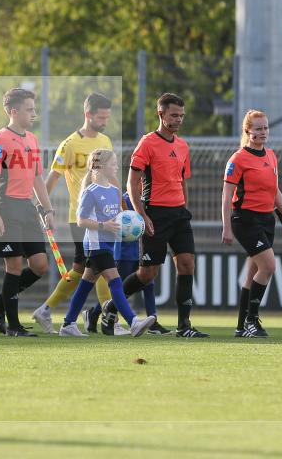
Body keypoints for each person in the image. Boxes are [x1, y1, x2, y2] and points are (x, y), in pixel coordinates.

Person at [103, 93, 208, 337]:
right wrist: (141, 215)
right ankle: (109, 307)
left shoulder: (183, 146)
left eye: (181, 116)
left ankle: (184, 326)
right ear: (161, 114)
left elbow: (182, 180)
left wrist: (184, 207)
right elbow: (132, 182)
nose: (178, 120)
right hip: (155, 214)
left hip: (179, 215)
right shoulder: (147, 143)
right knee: (147, 273)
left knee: (186, 264)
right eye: (174, 115)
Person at [31, 93, 116, 334]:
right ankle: (111, 320)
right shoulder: (70, 144)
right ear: (88, 115)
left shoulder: (106, 141)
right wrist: (41, 208)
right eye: (101, 117)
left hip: (103, 217)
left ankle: (47, 310)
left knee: (83, 269)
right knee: (99, 265)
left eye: (107, 117)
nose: (105, 121)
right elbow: (52, 177)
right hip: (81, 217)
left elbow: (110, 177)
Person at [58, 149, 155, 337]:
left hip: (108, 244)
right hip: (96, 244)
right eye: (113, 164)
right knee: (116, 281)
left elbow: (118, 216)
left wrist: (129, 226)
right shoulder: (90, 192)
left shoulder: (114, 190)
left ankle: (68, 324)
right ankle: (133, 321)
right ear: (100, 167)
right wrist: (103, 225)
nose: (116, 166)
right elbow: (81, 221)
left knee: (86, 284)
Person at [0, 88, 56, 337]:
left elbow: (38, 179)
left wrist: (47, 210)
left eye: (34, 109)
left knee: (40, 265)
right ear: (14, 111)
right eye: (29, 109)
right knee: (13, 266)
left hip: (26, 207)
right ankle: (13, 326)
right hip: (7, 207)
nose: (33, 113)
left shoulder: (32, 139)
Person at [222, 110, 282, 338]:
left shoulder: (271, 155)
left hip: (266, 220)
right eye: (258, 129)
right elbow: (226, 197)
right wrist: (226, 227)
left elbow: (274, 190)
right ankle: (253, 320)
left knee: (252, 273)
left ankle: (241, 326)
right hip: (245, 220)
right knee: (269, 267)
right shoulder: (238, 159)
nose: (263, 132)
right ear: (248, 131)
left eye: (265, 128)